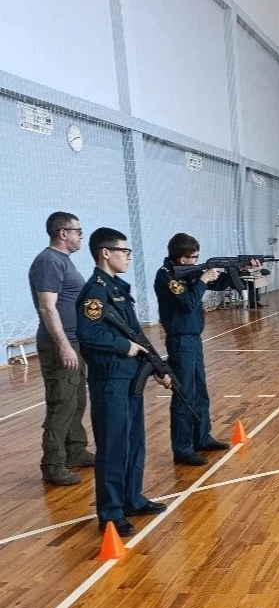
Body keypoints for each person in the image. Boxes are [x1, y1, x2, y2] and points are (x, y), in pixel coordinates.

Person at [76, 228, 171, 537]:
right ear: (105, 253)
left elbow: (136, 334)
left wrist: (156, 366)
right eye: (124, 251)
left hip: (130, 377)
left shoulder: (117, 288)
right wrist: (124, 347)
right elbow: (88, 334)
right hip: (110, 379)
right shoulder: (95, 291)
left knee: (134, 441)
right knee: (114, 446)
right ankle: (111, 513)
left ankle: (132, 498)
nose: (128, 257)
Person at [154, 234, 250, 466]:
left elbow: (218, 284)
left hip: (193, 339)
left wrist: (238, 270)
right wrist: (203, 279)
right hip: (180, 341)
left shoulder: (189, 272)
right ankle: (182, 448)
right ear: (182, 259)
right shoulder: (166, 276)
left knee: (200, 391)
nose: (197, 261)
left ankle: (202, 437)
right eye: (194, 258)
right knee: (185, 394)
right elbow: (188, 303)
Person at [28, 212, 94, 486]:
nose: (81, 236)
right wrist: (64, 346)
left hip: (75, 342)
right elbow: (47, 307)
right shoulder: (49, 261)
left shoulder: (63, 261)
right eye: (78, 231)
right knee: (61, 404)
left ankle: (75, 451)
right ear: (62, 233)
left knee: (76, 400)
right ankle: (53, 465)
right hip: (60, 345)